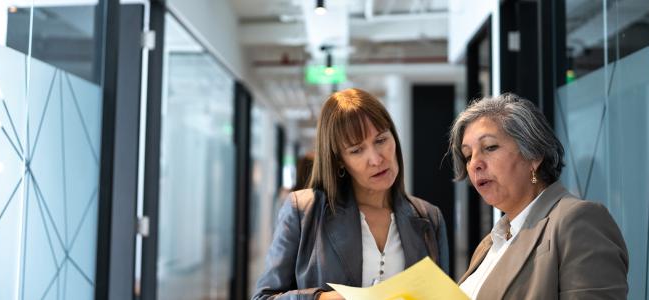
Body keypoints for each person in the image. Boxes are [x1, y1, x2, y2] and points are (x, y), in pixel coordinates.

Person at [252, 88, 450, 300]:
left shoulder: (428, 217)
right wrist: (321, 299)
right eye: (357, 150)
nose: (376, 159)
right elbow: (264, 297)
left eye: (381, 140)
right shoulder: (304, 211)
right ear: (339, 161)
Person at [449, 93, 628, 299]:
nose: (475, 164)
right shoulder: (488, 244)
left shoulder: (578, 220)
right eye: (468, 156)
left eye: (490, 147)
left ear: (533, 155)